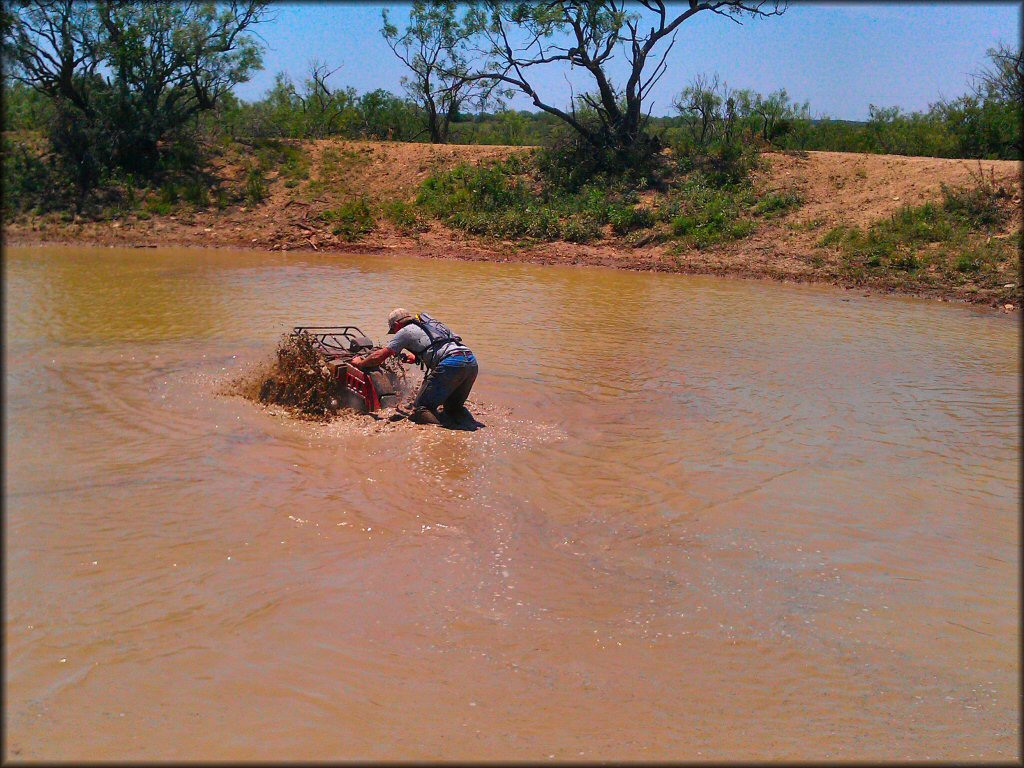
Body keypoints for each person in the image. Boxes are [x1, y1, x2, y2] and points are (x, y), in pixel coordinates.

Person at [350, 308, 478, 426]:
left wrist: (360, 363)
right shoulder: (431, 325)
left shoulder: (405, 331)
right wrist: (416, 357)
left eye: (393, 330)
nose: (395, 333)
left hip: (451, 363)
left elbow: (380, 356)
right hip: (471, 361)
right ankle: (470, 426)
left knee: (421, 408)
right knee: (453, 408)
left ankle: (442, 433)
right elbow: (440, 344)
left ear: (396, 325)